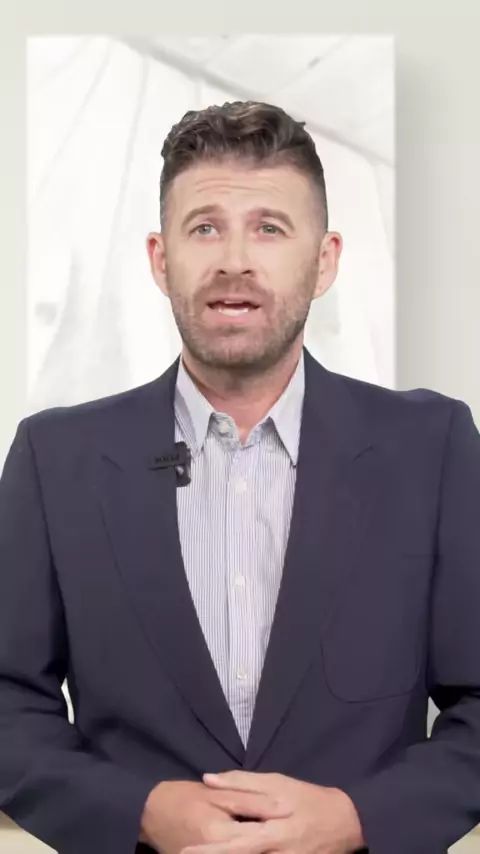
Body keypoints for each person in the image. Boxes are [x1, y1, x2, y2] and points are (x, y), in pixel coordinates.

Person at [0, 99, 480, 854]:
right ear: (160, 259)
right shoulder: (53, 457)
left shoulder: (433, 445)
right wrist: (141, 810)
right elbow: (7, 704)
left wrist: (357, 817)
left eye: (270, 228)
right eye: (204, 228)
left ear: (325, 261)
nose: (234, 260)